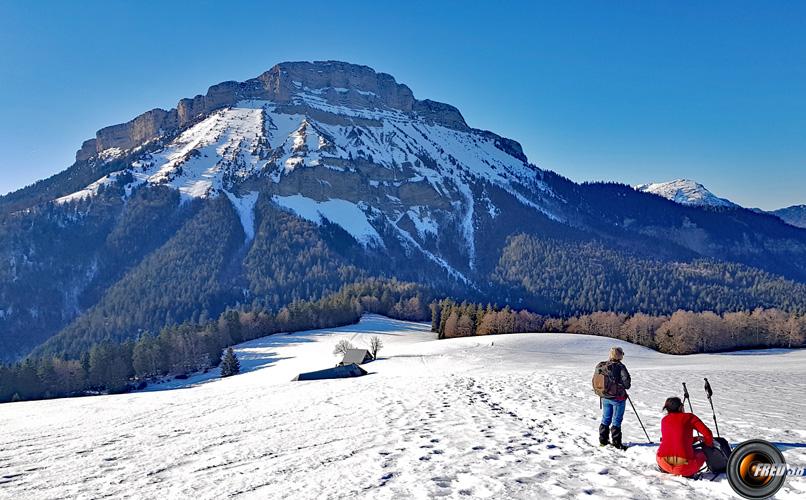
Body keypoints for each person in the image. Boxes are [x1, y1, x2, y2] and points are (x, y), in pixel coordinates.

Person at [656, 396, 714, 477]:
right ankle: (686, 471)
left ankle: (668, 469)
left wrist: (696, 439)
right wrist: (709, 445)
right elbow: (707, 433)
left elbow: (674, 440)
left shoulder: (664, 420)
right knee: (702, 453)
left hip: (663, 463)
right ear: (680, 407)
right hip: (683, 467)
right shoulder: (689, 417)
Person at [597, 346, 631, 450]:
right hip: (618, 398)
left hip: (605, 396)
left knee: (606, 418)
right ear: (619, 355)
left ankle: (603, 441)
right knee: (616, 420)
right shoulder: (620, 366)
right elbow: (627, 384)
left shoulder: (602, 365)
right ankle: (616, 443)